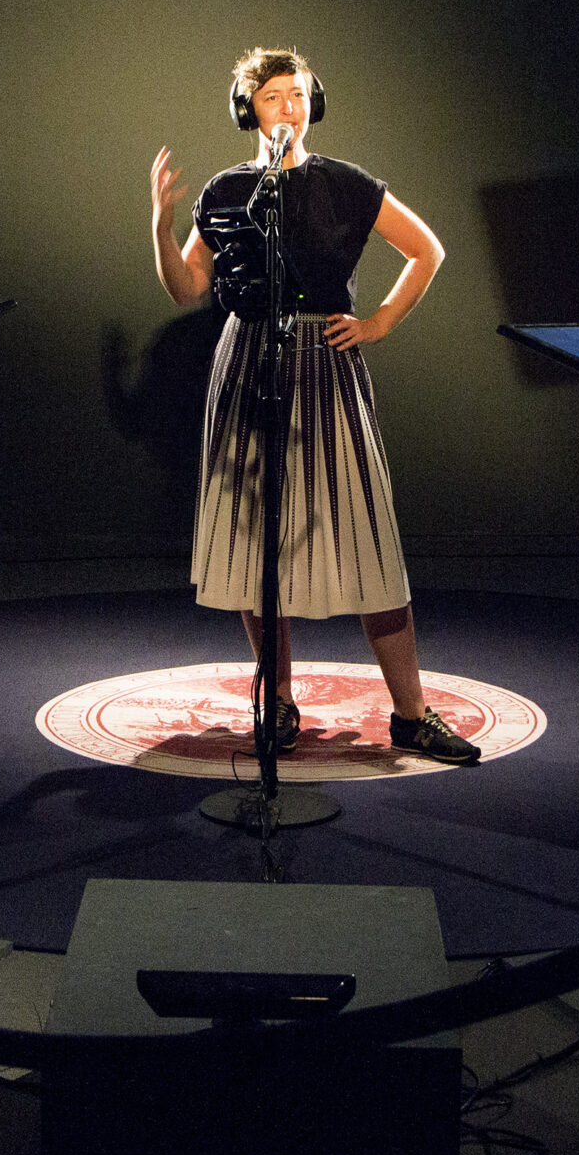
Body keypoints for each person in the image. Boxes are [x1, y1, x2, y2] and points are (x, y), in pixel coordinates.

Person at [148, 48, 480, 766]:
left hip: (327, 365)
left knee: (367, 538)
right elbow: (185, 286)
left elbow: (426, 249)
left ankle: (412, 713)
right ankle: (280, 702)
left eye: (297, 95)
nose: (288, 107)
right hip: (247, 363)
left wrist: (379, 322)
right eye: (272, 97)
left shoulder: (345, 184)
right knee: (251, 543)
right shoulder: (230, 189)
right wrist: (160, 223)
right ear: (248, 110)